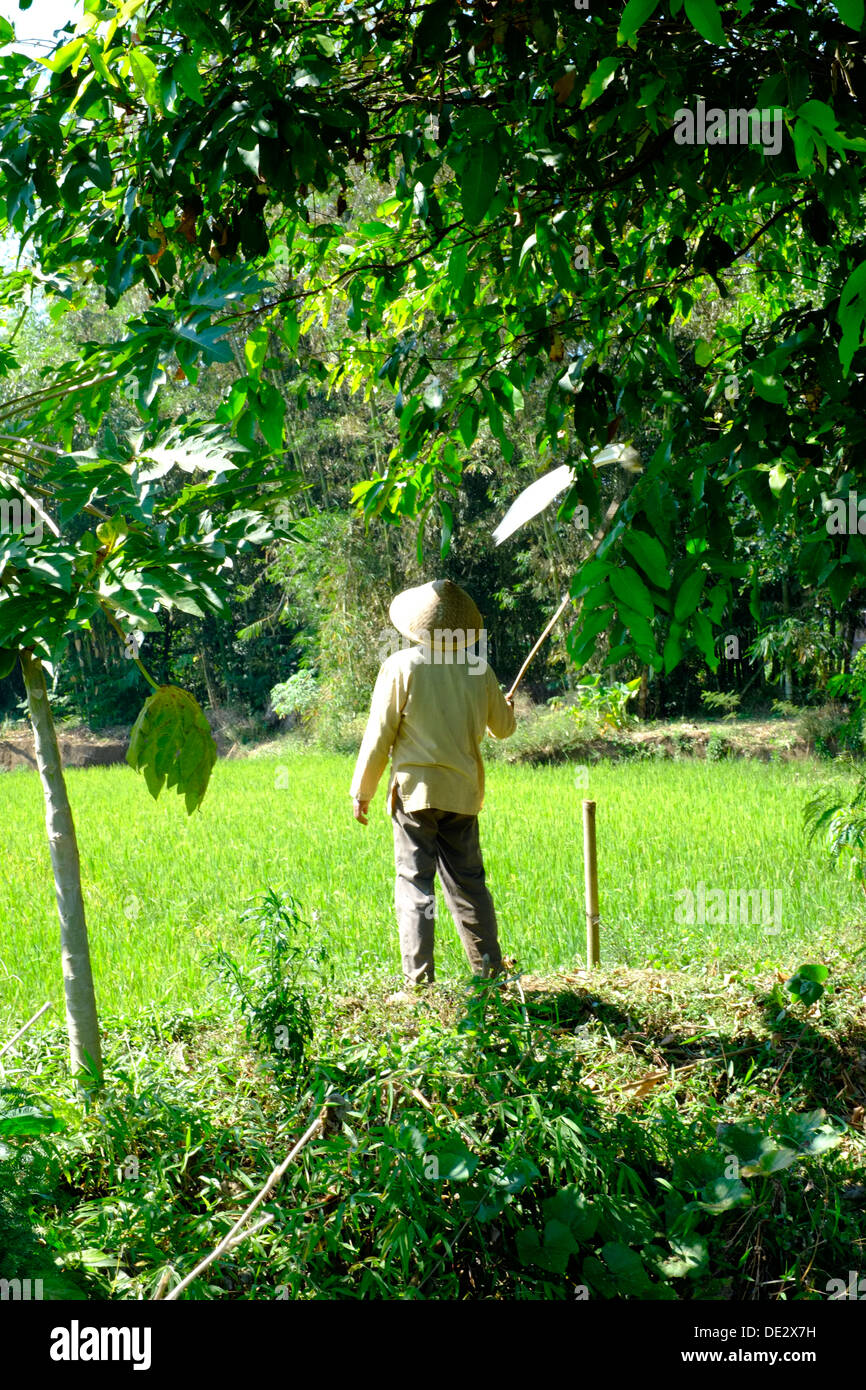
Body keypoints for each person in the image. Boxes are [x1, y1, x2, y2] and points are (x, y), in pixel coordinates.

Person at [350, 579, 517, 996]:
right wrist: (507, 706)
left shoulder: (402, 666)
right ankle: (491, 974)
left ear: (416, 627)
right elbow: (504, 728)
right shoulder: (478, 666)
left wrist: (363, 791)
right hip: (462, 795)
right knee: (469, 884)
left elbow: (379, 735)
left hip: (415, 795)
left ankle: (419, 984)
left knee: (414, 884)